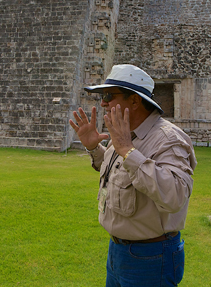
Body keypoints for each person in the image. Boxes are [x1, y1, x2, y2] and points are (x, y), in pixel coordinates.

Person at [70, 64, 197, 287]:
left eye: (109, 95)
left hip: (150, 257)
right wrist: (94, 148)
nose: (103, 102)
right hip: (119, 251)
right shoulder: (125, 134)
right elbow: (117, 172)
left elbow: (176, 195)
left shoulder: (168, 139)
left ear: (135, 101)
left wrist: (128, 150)